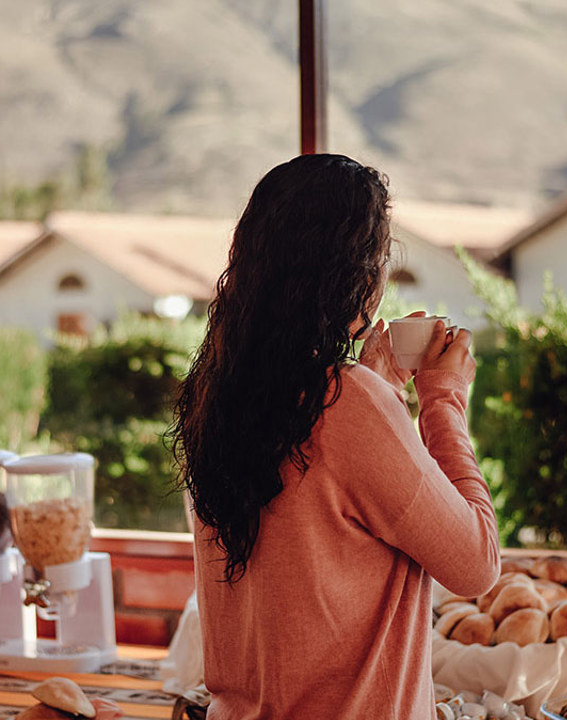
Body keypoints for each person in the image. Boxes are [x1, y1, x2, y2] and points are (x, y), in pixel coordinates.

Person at [171, 153, 500, 719]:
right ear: (356, 278)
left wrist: (381, 391)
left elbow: (317, 540)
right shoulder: (347, 403)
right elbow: (476, 564)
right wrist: (444, 401)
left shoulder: (218, 394)